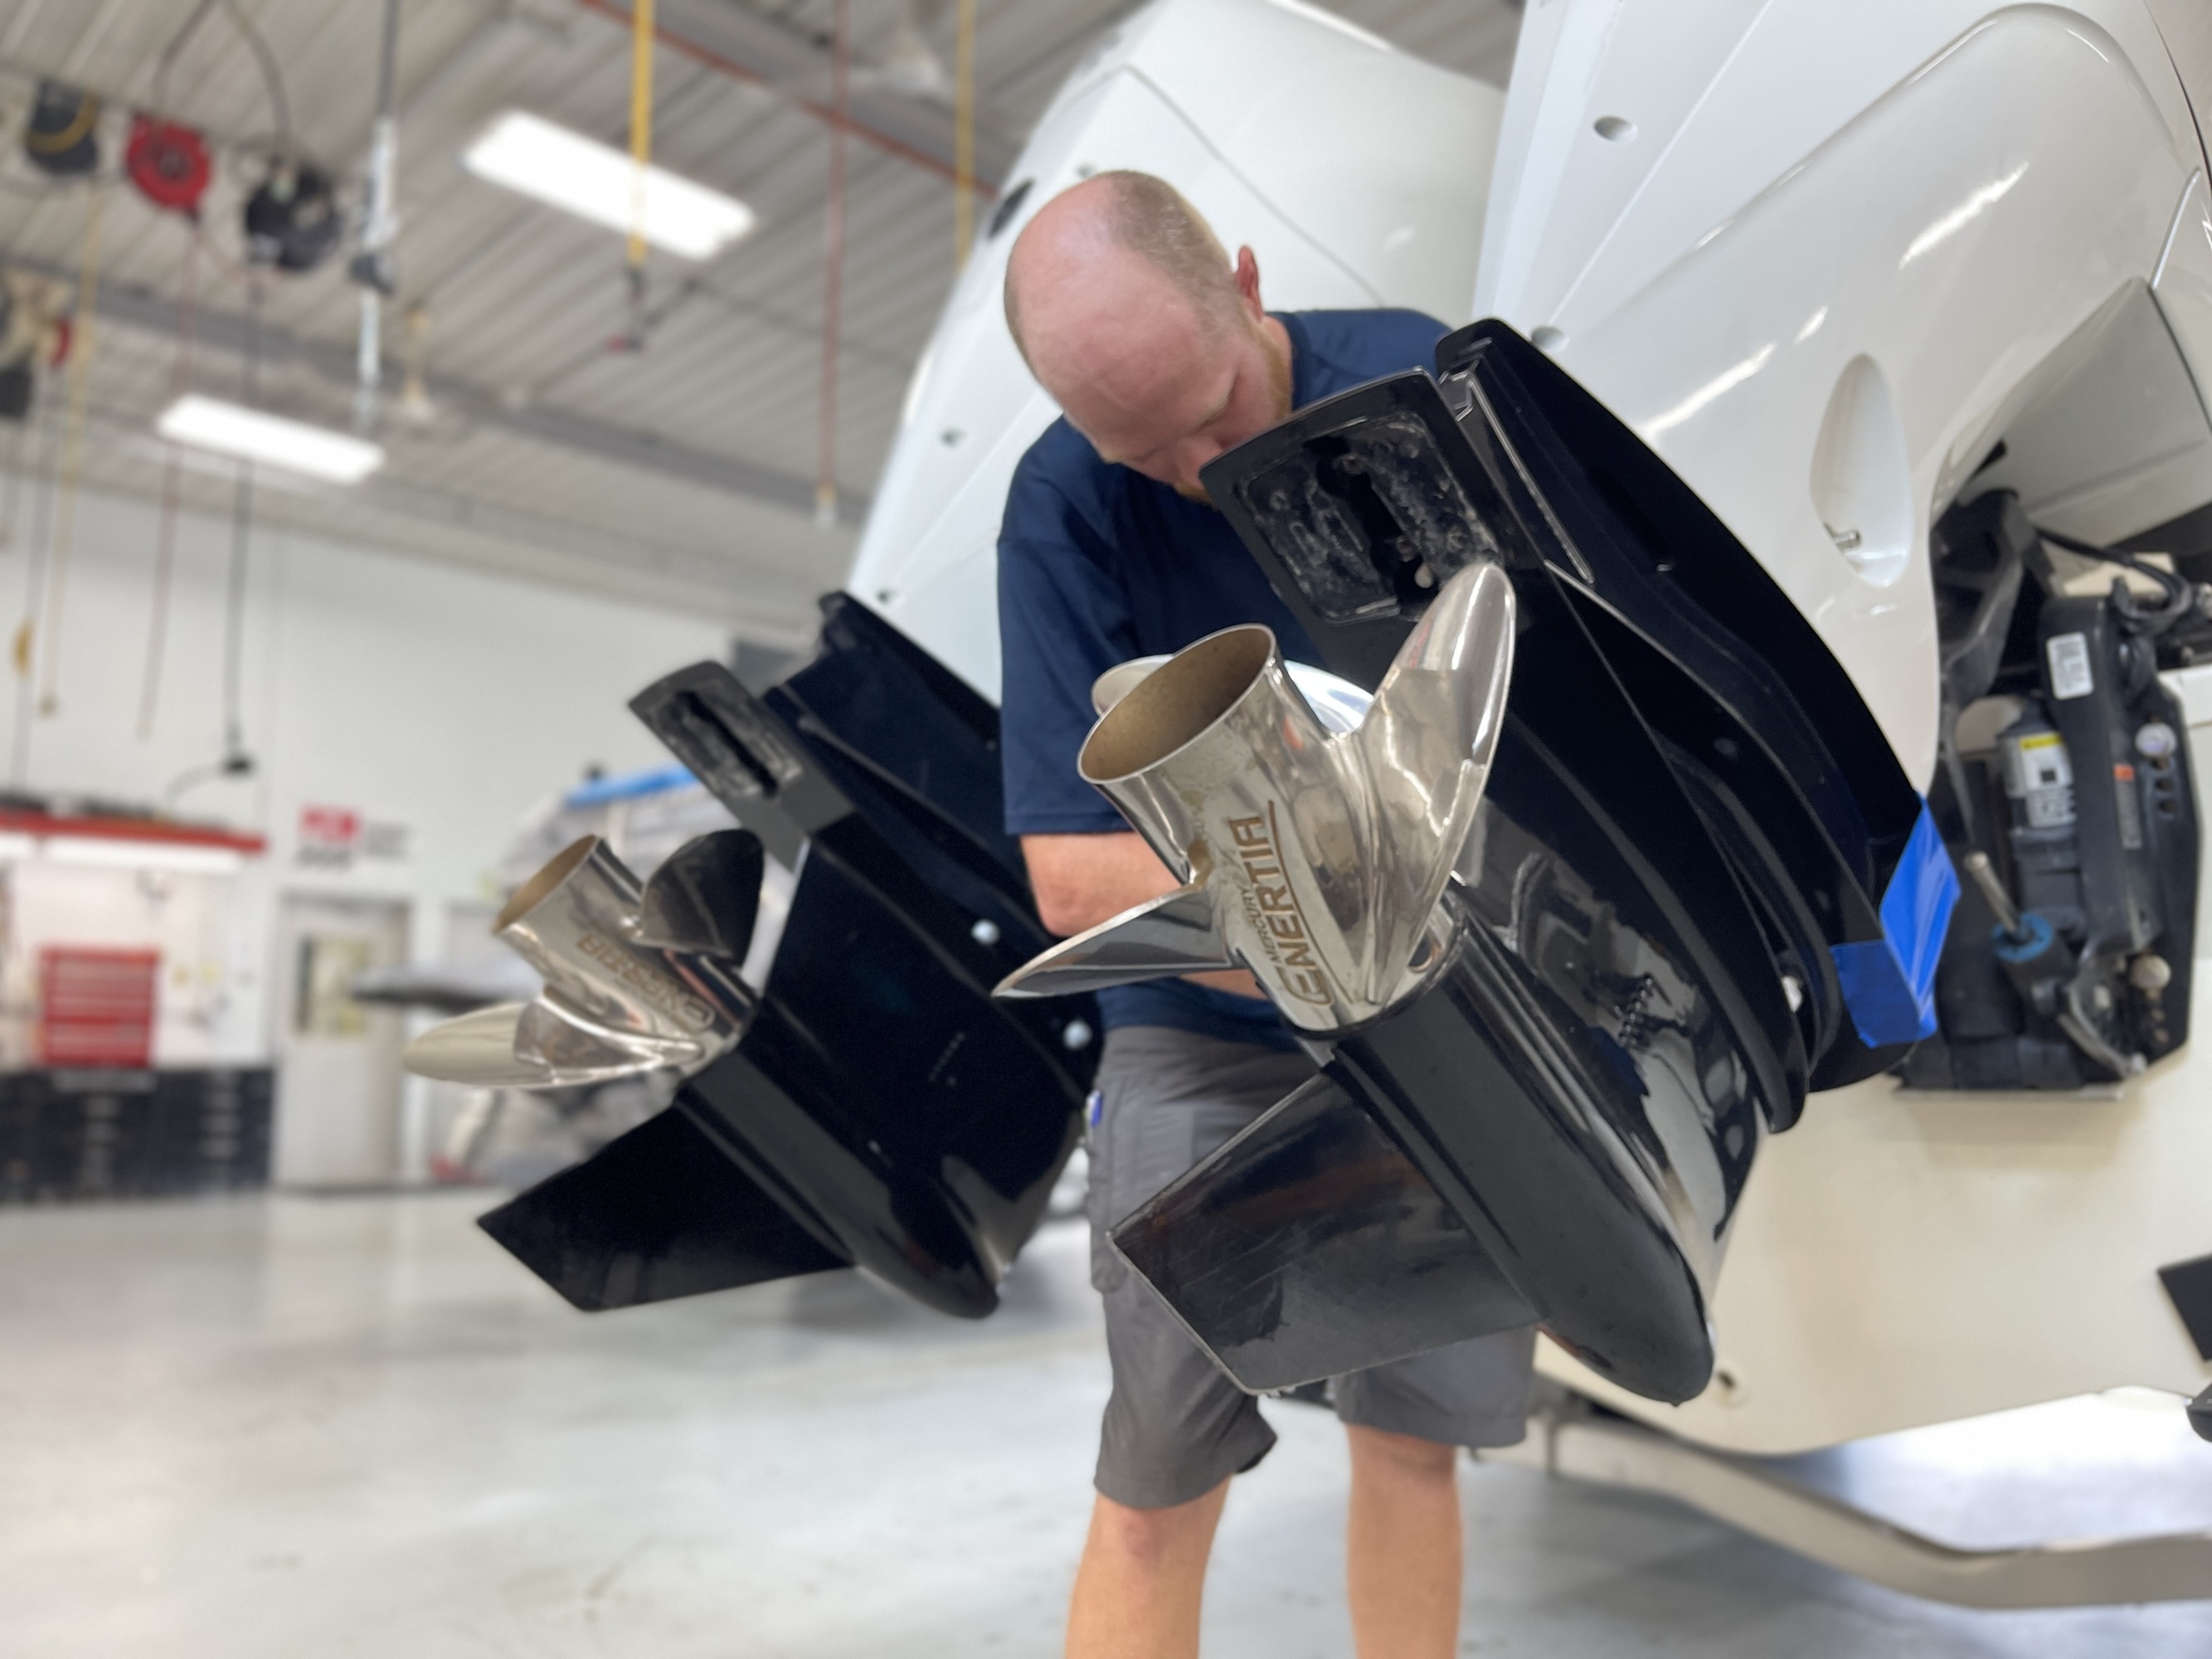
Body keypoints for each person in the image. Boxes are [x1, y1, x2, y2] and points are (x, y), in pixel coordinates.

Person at [995, 170, 1537, 1659]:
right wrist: (1326, 911)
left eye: (1216, 411)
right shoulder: (1062, 505)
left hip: (1447, 1023)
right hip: (1203, 1036)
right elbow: (1070, 870)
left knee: (1415, 1442)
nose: (1193, 470)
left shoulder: (1419, 388)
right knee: (1154, 1486)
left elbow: (1559, 715)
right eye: (1140, 446)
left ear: (1245, 280)